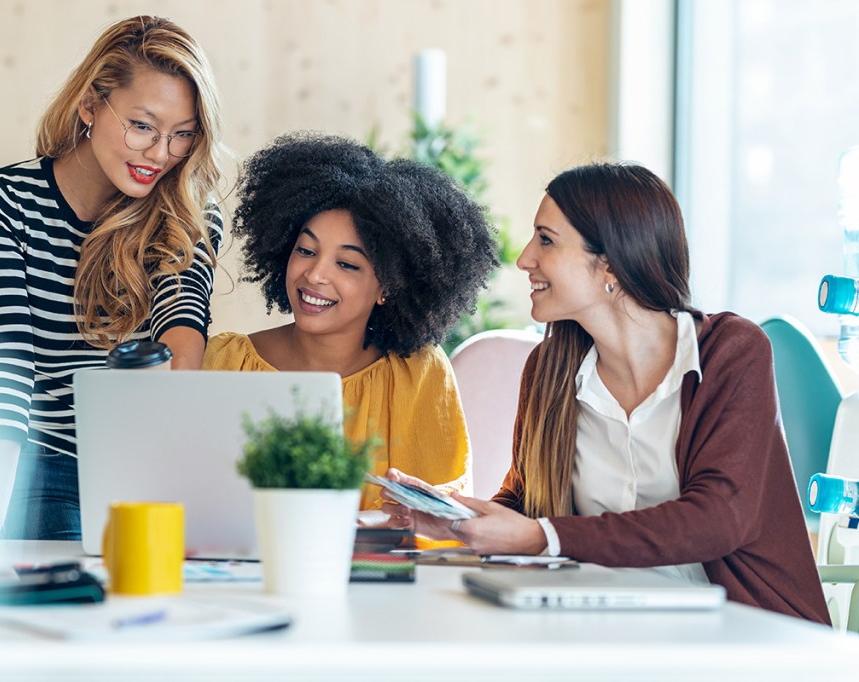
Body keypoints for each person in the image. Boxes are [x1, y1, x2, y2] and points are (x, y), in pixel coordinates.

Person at [384, 162, 831, 624]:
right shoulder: (549, 371)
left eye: (546, 240)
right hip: (612, 626)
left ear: (611, 264)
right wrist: (458, 519)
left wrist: (542, 537)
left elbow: (720, 517)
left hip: (747, 633)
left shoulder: (731, 352)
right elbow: (526, 503)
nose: (524, 259)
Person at [0, 16, 227, 540]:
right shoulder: (1, 203)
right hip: (47, 468)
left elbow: (183, 320)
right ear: (89, 104)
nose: (160, 155)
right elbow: (8, 374)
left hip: (154, 466)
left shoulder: (188, 212)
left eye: (182, 136)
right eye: (142, 125)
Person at [203, 132, 498, 520]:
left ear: (387, 287)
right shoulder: (226, 360)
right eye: (306, 251)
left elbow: (440, 520)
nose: (315, 274)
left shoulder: (417, 373)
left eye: (347, 264)